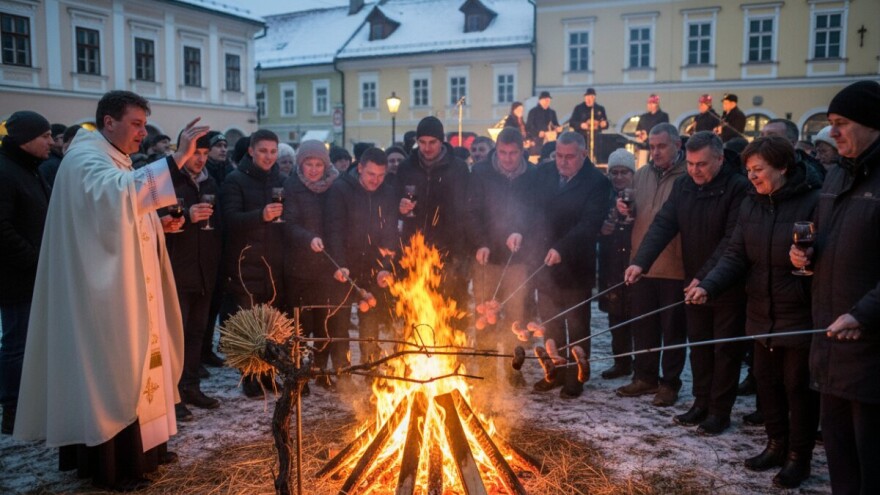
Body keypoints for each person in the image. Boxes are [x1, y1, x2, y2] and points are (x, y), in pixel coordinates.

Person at [14, 90, 208, 491]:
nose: (142, 133)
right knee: (116, 371)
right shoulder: (84, 158)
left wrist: (158, 224)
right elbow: (118, 198)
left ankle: (148, 450)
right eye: (136, 124)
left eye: (143, 125)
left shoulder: (112, 158)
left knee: (142, 365)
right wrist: (177, 158)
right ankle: (115, 466)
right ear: (108, 122)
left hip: (128, 287)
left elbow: (121, 213)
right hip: (101, 296)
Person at [688, 136, 820, 488]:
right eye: (748, 170)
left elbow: (826, 252)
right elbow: (735, 254)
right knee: (767, 382)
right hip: (760, 308)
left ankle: (799, 457)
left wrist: (810, 258)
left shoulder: (813, 201)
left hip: (798, 310)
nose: (752, 177)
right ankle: (775, 445)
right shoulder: (751, 203)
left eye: (758, 169)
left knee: (797, 388)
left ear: (783, 167)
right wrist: (708, 285)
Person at [625, 131, 749, 435]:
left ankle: (719, 411)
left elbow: (732, 241)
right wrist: (641, 261)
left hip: (728, 283)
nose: (694, 170)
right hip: (693, 280)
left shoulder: (738, 187)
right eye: (691, 164)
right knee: (699, 347)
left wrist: (706, 277)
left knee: (724, 351)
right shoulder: (684, 185)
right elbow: (664, 223)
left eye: (702, 164)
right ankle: (701, 402)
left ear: (719, 159)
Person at [790, 80, 880, 495]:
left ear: (872, 123)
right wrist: (805, 257)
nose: (832, 132)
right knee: (839, 457)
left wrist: (864, 314)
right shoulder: (837, 176)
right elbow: (826, 240)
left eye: (842, 122)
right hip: (830, 340)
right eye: (830, 122)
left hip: (869, 347)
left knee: (871, 459)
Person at [532, 131, 611, 399]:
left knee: (577, 326)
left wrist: (562, 248)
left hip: (576, 265)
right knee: (551, 324)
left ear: (583, 154)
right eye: (559, 156)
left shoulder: (597, 182)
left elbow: (590, 224)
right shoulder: (544, 173)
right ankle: (554, 371)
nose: (562, 162)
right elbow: (533, 210)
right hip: (545, 263)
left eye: (569, 157)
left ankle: (576, 377)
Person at [615, 123, 688, 408]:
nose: (655, 152)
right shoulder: (643, 174)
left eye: (661, 146)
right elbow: (636, 210)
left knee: (672, 330)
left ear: (677, 145)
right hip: (641, 265)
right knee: (643, 326)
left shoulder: (687, 174)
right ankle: (645, 376)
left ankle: (670, 383)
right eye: (652, 147)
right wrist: (626, 210)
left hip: (675, 264)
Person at [464, 127, 536, 386]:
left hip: (518, 261)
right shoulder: (481, 172)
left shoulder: (532, 175)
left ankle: (513, 369)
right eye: (503, 152)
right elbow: (471, 212)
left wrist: (522, 232)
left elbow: (537, 213)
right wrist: (481, 243)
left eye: (513, 153)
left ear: (522, 150)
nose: (507, 158)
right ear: (496, 149)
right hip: (486, 258)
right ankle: (486, 370)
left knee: (516, 317)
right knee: (486, 315)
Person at [220, 129, 286, 398]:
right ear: (251, 151)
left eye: (273, 151)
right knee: (248, 324)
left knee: (270, 323)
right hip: (244, 263)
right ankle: (249, 376)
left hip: (272, 263)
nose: (268, 156)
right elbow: (230, 219)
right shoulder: (235, 180)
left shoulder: (281, 180)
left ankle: (268, 373)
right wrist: (261, 215)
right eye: (263, 151)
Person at [163, 132, 223, 421]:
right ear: (183, 151)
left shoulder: (210, 182)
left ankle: (190, 386)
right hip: (176, 269)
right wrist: (187, 215)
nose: (200, 159)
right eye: (195, 153)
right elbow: (155, 219)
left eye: (204, 154)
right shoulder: (168, 180)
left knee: (197, 333)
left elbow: (219, 226)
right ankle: (171, 394)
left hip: (204, 270)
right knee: (175, 336)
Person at [0, 110, 52, 435]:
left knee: (31, 342)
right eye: (44, 136)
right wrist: (36, 259)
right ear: (25, 139)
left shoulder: (31, 169)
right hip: (16, 276)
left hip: (35, 273)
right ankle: (12, 408)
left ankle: (30, 402)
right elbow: (2, 229)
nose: (51, 141)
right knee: (17, 343)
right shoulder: (6, 172)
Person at [326, 147, 398, 366]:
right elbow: (334, 230)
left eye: (381, 175)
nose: (376, 180)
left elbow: (391, 233)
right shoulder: (340, 189)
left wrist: (385, 266)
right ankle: (341, 369)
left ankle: (370, 367)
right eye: (371, 174)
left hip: (373, 266)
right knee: (340, 322)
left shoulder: (388, 193)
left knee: (371, 321)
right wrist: (340, 264)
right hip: (345, 266)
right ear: (360, 168)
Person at [282, 140, 345, 390]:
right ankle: (298, 373)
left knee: (324, 322)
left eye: (319, 164)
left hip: (326, 266)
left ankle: (320, 369)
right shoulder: (291, 186)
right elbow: (288, 223)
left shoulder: (334, 187)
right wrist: (307, 238)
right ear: (301, 164)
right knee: (300, 324)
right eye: (309, 164)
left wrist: (339, 257)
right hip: (299, 266)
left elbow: (338, 223)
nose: (314, 169)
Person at [397, 116, 471, 325]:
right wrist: (399, 206)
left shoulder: (458, 168)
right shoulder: (406, 167)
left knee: (450, 312)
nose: (427, 148)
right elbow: (393, 200)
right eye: (422, 142)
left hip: (449, 251)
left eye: (432, 142)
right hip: (415, 250)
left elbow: (466, 209)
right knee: (416, 311)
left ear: (442, 141)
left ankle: (452, 347)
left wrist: (461, 251)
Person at [597, 149, 636, 379]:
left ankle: (642, 365)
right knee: (615, 316)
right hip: (611, 263)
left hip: (634, 262)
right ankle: (621, 362)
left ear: (632, 173)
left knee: (637, 317)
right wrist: (602, 228)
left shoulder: (640, 194)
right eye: (614, 172)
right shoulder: (604, 195)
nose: (619, 177)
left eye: (624, 172)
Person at [761, 119, 826, 181]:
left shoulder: (809, 172)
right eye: (762, 135)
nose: (762, 140)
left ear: (792, 142)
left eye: (772, 136)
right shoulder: (757, 166)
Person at [569, 88, 608, 159]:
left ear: (594, 98)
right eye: (587, 98)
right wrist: (581, 125)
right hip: (582, 138)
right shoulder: (578, 108)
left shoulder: (600, 109)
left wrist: (604, 124)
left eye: (590, 98)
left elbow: (605, 123)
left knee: (596, 157)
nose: (588, 100)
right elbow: (572, 122)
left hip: (596, 138)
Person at [526, 91, 562, 157]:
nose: (547, 102)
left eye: (549, 100)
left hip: (550, 141)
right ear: (540, 100)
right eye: (545, 100)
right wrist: (538, 133)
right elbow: (528, 127)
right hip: (537, 143)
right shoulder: (533, 112)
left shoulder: (552, 112)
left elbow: (555, 124)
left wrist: (558, 129)